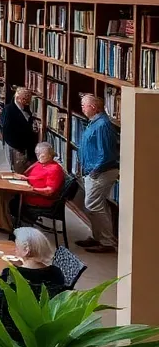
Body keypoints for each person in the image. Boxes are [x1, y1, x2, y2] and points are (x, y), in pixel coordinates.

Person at [0, 227, 67, 313]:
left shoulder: (12, 273)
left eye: (17, 246)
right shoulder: (56, 272)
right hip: (41, 317)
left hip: (10, 318)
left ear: (26, 249)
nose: (15, 249)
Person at [73, 94, 119, 254]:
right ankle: (98, 236)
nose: (82, 108)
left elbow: (106, 154)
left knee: (93, 204)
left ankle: (107, 241)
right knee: (96, 205)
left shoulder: (102, 126)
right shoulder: (95, 123)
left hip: (101, 172)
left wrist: (95, 171)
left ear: (93, 107)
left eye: (84, 105)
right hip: (93, 172)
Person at [8, 141, 64, 224]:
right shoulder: (39, 163)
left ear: (50, 155)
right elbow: (30, 176)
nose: (39, 156)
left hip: (38, 199)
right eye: (37, 154)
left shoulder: (54, 169)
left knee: (6, 200)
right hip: (26, 192)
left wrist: (31, 189)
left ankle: (6, 224)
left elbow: (49, 191)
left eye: (42, 154)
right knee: (3, 195)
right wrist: (24, 177)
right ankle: (4, 222)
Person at [1, 87, 39, 174]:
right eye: (24, 98)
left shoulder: (26, 109)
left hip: (26, 148)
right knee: (17, 172)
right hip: (16, 148)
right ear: (17, 98)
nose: (27, 101)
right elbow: (7, 131)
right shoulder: (9, 110)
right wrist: (19, 148)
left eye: (29, 98)